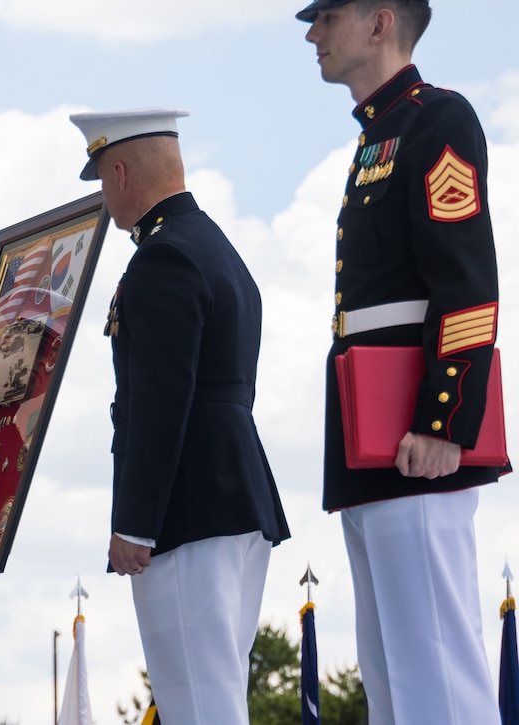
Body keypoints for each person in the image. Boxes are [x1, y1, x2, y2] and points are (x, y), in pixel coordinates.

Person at [298, 1, 510, 722]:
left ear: (379, 21)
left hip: (419, 432)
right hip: (375, 433)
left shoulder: (436, 120)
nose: (312, 33)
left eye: (326, 16)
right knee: (391, 674)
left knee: (437, 670)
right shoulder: (375, 139)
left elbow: (466, 283)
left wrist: (444, 419)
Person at [68, 108, 290, 724]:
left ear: (120, 172)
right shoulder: (217, 247)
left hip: (187, 505)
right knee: (215, 688)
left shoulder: (162, 259)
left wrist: (136, 525)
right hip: (234, 494)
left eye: (103, 181)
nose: (106, 199)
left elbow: (161, 400)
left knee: (197, 696)